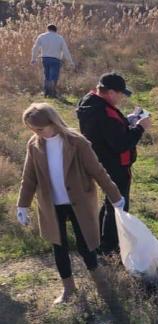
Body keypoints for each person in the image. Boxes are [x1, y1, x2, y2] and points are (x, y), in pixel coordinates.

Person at [17, 103, 124, 305]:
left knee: (86, 247)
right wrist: (22, 205)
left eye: (39, 129)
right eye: (32, 129)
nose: (36, 133)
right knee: (59, 247)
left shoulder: (77, 142)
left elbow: (97, 171)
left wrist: (115, 196)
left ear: (53, 122)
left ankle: (102, 287)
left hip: (79, 203)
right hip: (51, 204)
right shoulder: (34, 145)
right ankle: (69, 289)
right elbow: (28, 177)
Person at [76, 73, 151, 255]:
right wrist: (140, 127)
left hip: (100, 161)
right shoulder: (105, 112)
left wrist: (127, 121)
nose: (121, 97)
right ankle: (111, 248)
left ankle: (101, 241)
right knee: (119, 205)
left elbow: (109, 130)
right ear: (110, 92)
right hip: (116, 164)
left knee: (110, 202)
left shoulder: (89, 102)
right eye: (120, 94)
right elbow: (121, 143)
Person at [31, 24, 75, 98]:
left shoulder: (42, 36)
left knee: (46, 75)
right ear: (55, 30)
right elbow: (65, 50)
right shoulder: (60, 38)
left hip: (45, 58)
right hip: (55, 59)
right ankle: (52, 93)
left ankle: (46, 92)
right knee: (53, 76)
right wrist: (70, 61)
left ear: (48, 29)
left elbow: (35, 48)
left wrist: (33, 59)